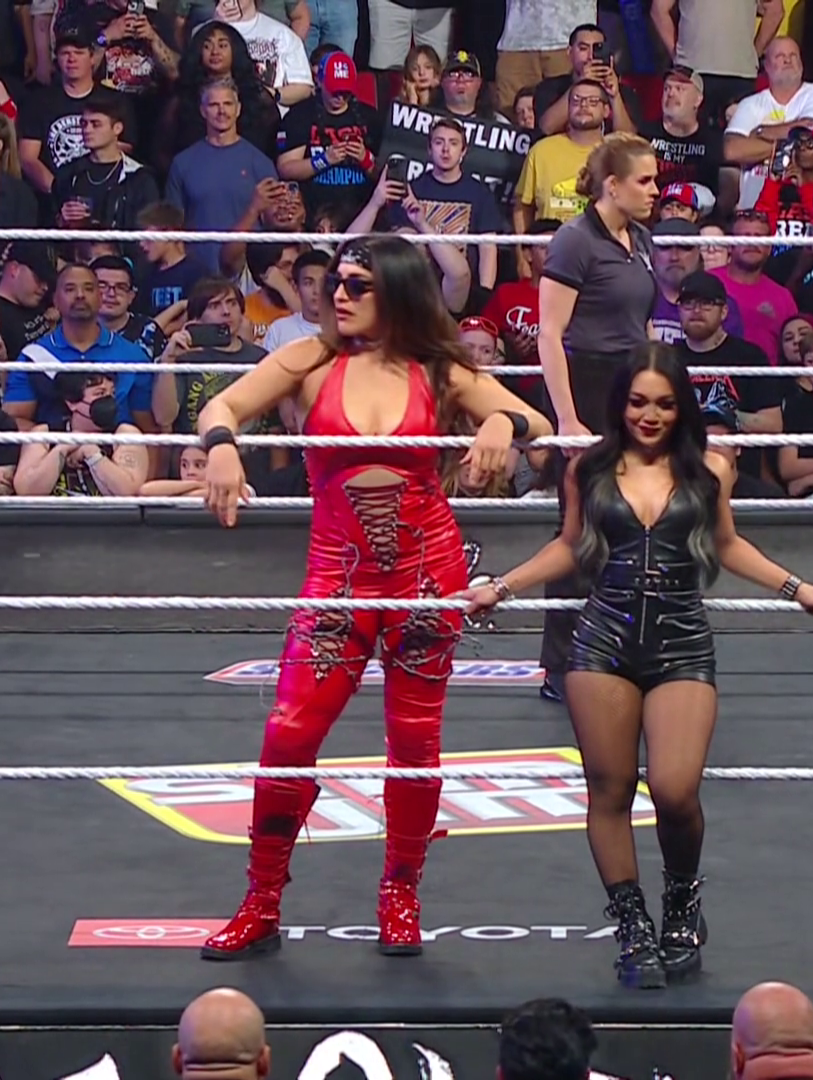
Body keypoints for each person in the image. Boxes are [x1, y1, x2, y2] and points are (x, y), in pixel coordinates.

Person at [192, 234, 551, 961]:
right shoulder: (310, 360)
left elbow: (537, 426)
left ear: (397, 291)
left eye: (358, 284)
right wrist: (224, 444)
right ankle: (261, 901)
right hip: (338, 579)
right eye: (337, 281)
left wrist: (498, 421)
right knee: (288, 736)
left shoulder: (439, 369)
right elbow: (222, 403)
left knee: (415, 745)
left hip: (426, 577)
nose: (339, 294)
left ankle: (401, 894)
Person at [459, 346, 813, 988]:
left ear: (682, 408)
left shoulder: (710, 467)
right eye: (639, 402)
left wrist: (797, 588)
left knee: (674, 790)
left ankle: (681, 901)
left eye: (665, 404)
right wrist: (500, 588)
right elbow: (569, 545)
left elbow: (726, 544)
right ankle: (632, 925)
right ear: (621, 404)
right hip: (602, 643)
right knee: (610, 790)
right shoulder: (589, 466)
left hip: (681, 642)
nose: (650, 415)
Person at [534, 131, 660, 701]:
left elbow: (644, 324)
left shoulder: (642, 239)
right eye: (644, 181)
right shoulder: (574, 240)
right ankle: (562, 666)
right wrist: (566, 418)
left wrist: (658, 388)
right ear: (612, 185)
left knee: (635, 523)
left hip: (631, 386)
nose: (655, 190)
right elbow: (550, 334)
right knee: (581, 527)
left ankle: (619, 650)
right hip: (584, 383)